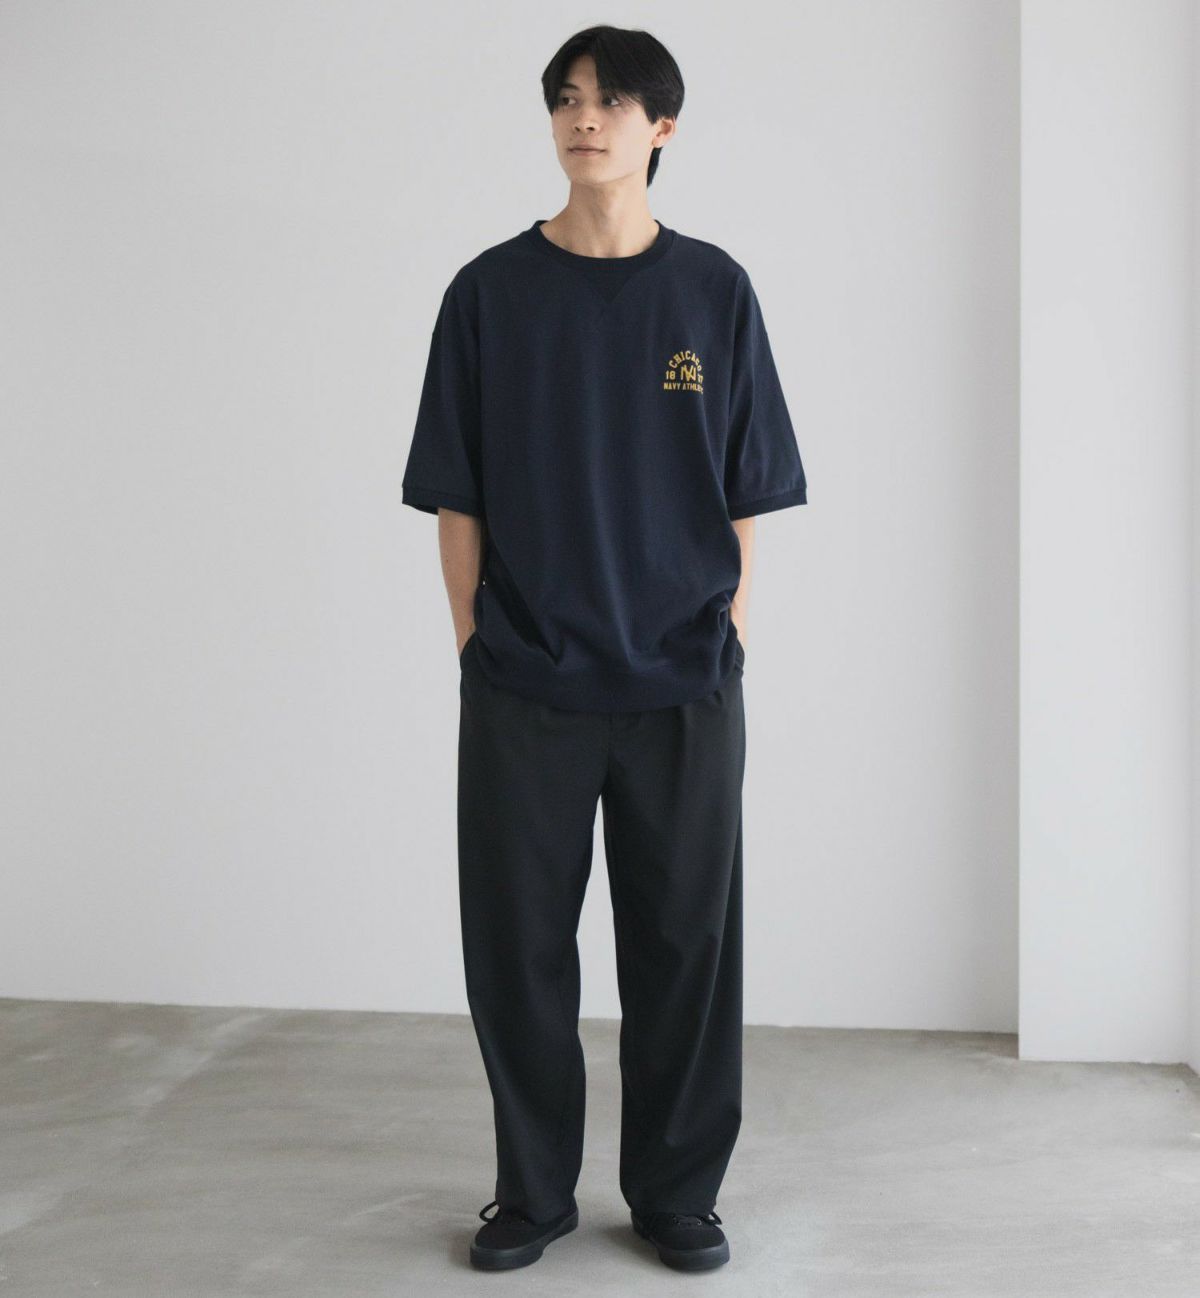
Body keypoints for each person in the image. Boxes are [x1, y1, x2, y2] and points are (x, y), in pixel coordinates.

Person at [402, 23, 807, 1274]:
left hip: (684, 680)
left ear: (662, 129)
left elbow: (747, 490)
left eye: (615, 101)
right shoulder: (488, 294)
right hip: (526, 682)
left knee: (686, 948)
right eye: (569, 98)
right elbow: (456, 494)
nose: (587, 117)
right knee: (518, 947)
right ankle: (532, 1190)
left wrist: (729, 636)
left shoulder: (713, 291)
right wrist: (477, 646)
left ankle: (677, 1192)